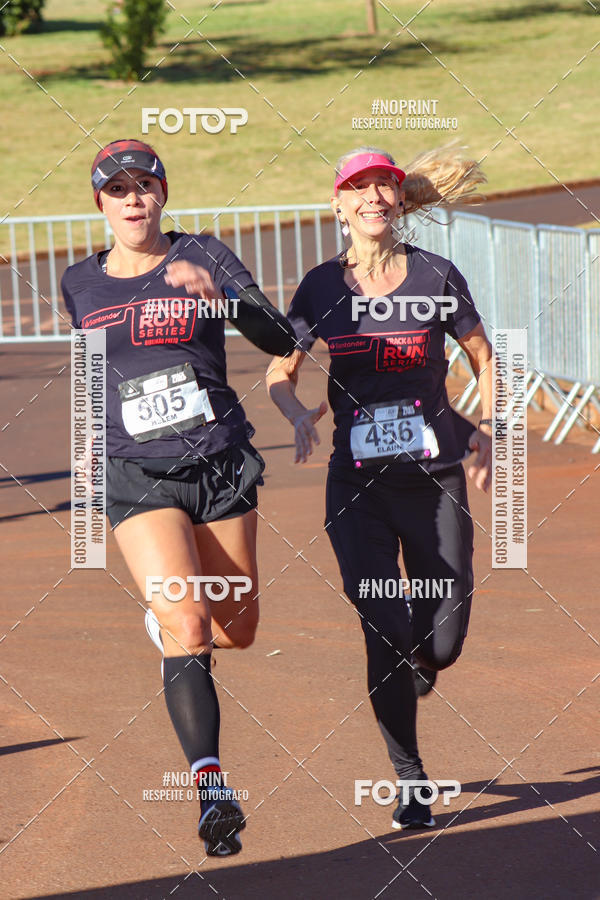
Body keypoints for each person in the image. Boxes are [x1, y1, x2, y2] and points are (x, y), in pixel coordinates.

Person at [61, 139, 297, 856]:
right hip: (138, 475)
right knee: (190, 627)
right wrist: (85, 451)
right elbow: (93, 376)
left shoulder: (206, 253)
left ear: (163, 193)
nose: (133, 199)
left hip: (220, 464)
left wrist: (220, 297)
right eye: (118, 189)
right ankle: (211, 789)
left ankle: (170, 616)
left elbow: (280, 336)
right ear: (99, 202)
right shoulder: (80, 282)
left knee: (236, 630)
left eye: (145, 186)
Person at [266, 145, 493, 830]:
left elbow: (486, 358)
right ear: (338, 205)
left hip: (436, 479)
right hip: (357, 488)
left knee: (442, 643)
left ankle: (422, 658)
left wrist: (484, 425)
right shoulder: (320, 288)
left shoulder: (435, 274)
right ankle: (411, 780)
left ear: (399, 199)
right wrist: (298, 414)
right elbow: (281, 373)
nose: (371, 197)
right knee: (383, 628)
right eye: (356, 188)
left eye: (382, 186)